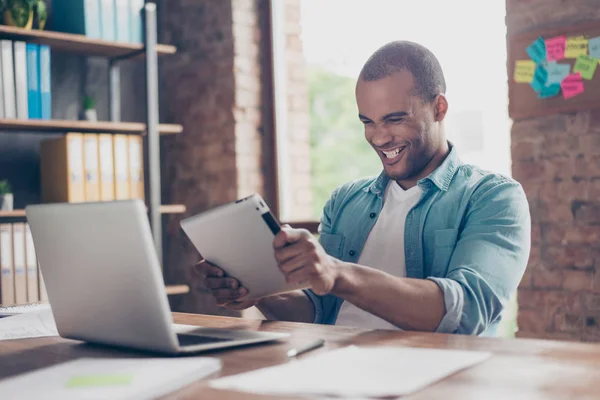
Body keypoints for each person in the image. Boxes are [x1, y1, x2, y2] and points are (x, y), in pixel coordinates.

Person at [193, 41, 531, 336]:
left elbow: (466, 312)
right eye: (367, 122)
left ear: (438, 108)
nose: (379, 137)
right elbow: (318, 311)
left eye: (395, 119)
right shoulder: (345, 201)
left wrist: (338, 273)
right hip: (333, 367)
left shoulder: (493, 197)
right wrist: (260, 291)